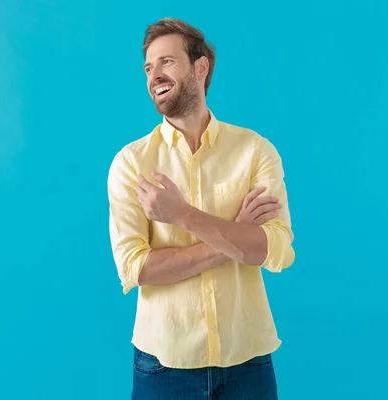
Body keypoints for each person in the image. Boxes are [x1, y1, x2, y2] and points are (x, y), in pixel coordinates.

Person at [107, 17, 295, 400]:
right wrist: (233, 236)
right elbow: (136, 268)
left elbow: (274, 251)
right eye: (148, 67)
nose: (154, 74)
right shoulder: (131, 164)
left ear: (201, 67)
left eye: (166, 62)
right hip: (164, 365)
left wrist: (182, 216)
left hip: (249, 361)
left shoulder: (255, 151)